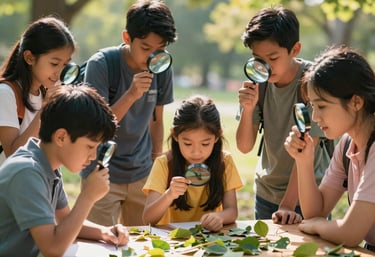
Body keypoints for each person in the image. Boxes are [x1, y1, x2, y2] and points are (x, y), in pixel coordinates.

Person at [0, 85, 129, 257]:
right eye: (90, 146)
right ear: (61, 137)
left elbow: (66, 221)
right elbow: (53, 249)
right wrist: (87, 197)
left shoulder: (48, 165)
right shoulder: (26, 172)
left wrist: (104, 232)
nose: (92, 156)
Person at [80, 0, 177, 226]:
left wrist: (156, 165)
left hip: (142, 173)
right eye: (145, 48)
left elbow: (157, 120)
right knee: (98, 246)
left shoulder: (162, 68)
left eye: (160, 49)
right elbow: (97, 127)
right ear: (127, 38)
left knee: (143, 243)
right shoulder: (102, 64)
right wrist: (132, 94)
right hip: (101, 172)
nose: (153, 57)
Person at [235, 7, 331, 224]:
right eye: (258, 59)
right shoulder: (258, 83)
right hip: (266, 193)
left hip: (308, 194)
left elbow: (308, 149)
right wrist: (248, 110)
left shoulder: (312, 82)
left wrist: (288, 204)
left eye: (273, 58)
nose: (264, 67)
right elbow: (244, 146)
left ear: (295, 49)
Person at [284, 46, 375, 251]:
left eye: (322, 106)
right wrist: (304, 161)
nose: (315, 118)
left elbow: (350, 234)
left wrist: (319, 225)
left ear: (356, 102)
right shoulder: (346, 144)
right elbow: (315, 212)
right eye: (313, 107)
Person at [142, 95, 243, 232]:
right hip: (172, 239)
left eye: (205, 144)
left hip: (210, 238)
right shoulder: (164, 163)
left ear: (218, 135)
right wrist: (170, 194)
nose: (196, 152)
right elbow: (148, 218)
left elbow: (232, 210)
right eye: (188, 143)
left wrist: (220, 217)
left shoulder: (224, 162)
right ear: (175, 135)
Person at [0, 16, 76, 164]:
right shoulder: (6, 93)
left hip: (35, 183)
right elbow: (13, 154)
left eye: (65, 64)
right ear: (29, 58)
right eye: (54, 63)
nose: (60, 72)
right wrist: (45, 109)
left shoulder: (46, 94)